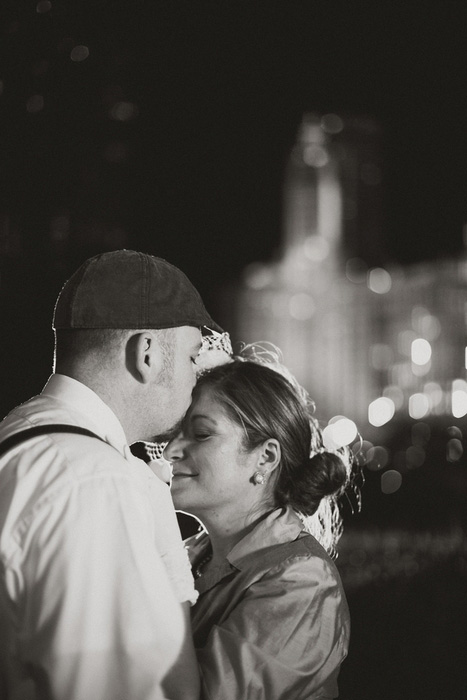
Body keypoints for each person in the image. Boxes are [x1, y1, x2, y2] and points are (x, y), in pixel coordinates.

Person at [0, 250, 222, 700]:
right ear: (146, 353)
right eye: (192, 357)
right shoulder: (96, 483)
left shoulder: (20, 435)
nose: (195, 378)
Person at [165, 350, 353, 700]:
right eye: (174, 433)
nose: (170, 451)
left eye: (201, 434)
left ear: (265, 457)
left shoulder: (302, 581)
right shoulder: (191, 554)